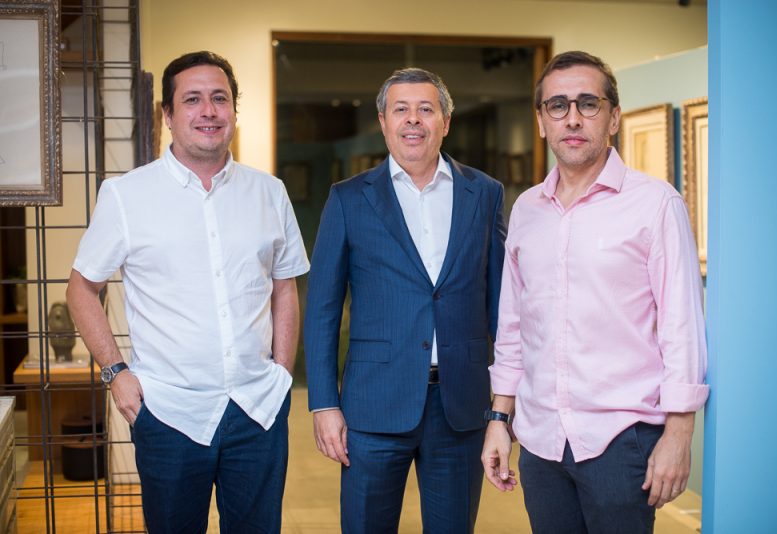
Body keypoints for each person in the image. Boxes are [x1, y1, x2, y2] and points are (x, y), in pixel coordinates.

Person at [66, 51, 309, 533]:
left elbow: (285, 286)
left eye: (220, 99)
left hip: (257, 410)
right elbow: (81, 289)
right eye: (192, 99)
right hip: (169, 412)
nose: (208, 111)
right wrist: (116, 373)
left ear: (234, 111)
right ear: (168, 114)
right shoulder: (126, 195)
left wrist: (282, 374)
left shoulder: (270, 193)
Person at [481, 50, 709, 533]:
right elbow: (513, 324)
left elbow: (681, 326)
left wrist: (678, 435)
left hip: (620, 441)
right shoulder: (526, 210)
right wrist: (499, 418)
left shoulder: (655, 204)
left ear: (614, 117)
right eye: (557, 105)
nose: (573, 118)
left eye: (589, 103)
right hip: (541, 441)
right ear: (541, 121)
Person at [304, 67, 506, 533]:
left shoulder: (485, 194)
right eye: (401, 109)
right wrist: (323, 403)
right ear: (383, 120)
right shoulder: (349, 199)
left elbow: (501, 306)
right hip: (372, 408)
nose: (413, 120)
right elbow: (322, 311)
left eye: (426, 109)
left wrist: (505, 404)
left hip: (460, 407)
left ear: (445, 122)